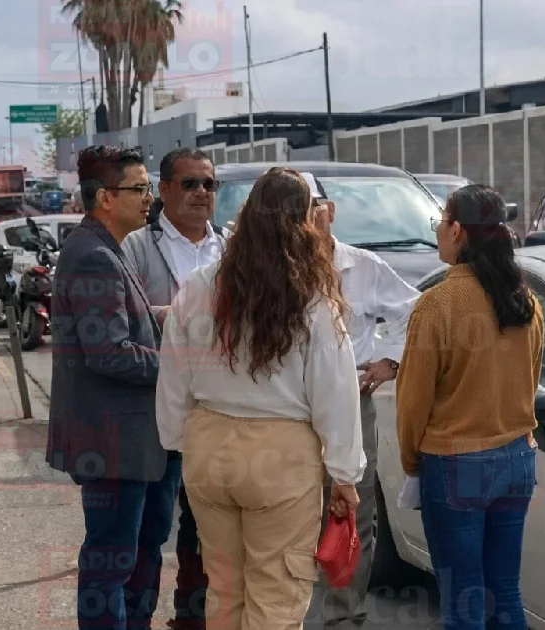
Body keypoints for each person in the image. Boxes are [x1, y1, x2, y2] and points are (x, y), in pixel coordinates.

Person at [156, 167, 366, 630]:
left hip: (208, 445)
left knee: (225, 590)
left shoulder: (196, 286)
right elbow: (336, 394)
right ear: (304, 222)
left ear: (247, 215)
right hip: (280, 456)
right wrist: (345, 476)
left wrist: (180, 441)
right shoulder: (312, 298)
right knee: (275, 593)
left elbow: (173, 375)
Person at [395, 184, 545, 630]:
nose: (438, 230)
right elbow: (530, 381)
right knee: (505, 593)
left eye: (440, 221)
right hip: (518, 457)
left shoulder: (437, 306)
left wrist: (412, 463)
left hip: (456, 465)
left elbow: (411, 405)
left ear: (457, 231)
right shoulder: (526, 301)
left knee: (462, 602)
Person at [46, 145, 180, 629]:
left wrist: (169, 317)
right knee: (111, 565)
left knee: (138, 558)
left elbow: (122, 325)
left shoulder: (107, 247)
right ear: (105, 196)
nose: (149, 198)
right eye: (139, 189)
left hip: (132, 442)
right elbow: (108, 353)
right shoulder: (94, 256)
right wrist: (180, 367)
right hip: (112, 443)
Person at [304, 172, 420, 628]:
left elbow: (416, 311)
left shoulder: (364, 266)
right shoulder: (278, 272)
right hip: (291, 409)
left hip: (353, 403)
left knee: (353, 509)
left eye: (314, 204)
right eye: (297, 206)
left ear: (330, 211)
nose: (308, 215)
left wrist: (389, 361)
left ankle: (343, 613)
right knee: (293, 508)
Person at [124, 147, 227, 630]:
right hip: (160, 410)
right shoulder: (137, 248)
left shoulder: (228, 247)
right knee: (152, 527)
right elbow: (125, 317)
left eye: (209, 184)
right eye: (190, 184)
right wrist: (179, 319)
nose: (201, 193)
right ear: (163, 190)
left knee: (207, 526)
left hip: (219, 412)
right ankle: (137, 616)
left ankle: (193, 614)